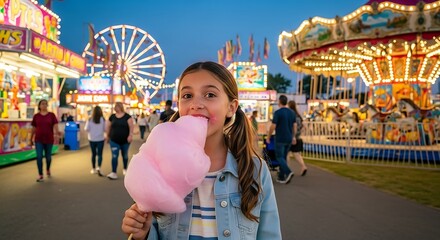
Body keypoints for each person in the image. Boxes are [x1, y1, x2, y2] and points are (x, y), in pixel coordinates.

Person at [121, 61, 281, 239]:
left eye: (210, 94)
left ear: (231, 107)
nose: (196, 104)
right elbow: (155, 227)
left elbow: (270, 234)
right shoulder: (160, 164)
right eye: (187, 95)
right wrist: (143, 233)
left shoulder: (255, 170)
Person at [266, 95, 295, 184]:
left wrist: (268, 136)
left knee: (279, 157)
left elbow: (273, 126)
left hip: (280, 138)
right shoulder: (292, 112)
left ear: (279, 102)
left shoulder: (278, 113)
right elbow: (295, 125)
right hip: (289, 138)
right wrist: (293, 136)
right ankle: (282, 177)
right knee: (284, 157)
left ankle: (288, 172)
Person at [30, 99, 60, 182]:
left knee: (48, 157)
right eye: (42, 104)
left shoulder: (51, 115)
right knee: (39, 157)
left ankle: (48, 169)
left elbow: (55, 125)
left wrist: (57, 133)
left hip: (49, 139)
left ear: (47, 106)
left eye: (45, 104)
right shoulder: (36, 116)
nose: (44, 105)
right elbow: (33, 128)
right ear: (39, 106)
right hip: (38, 139)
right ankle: (40, 174)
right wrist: (31, 138)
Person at [106, 102, 134, 180]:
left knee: (124, 155)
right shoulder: (112, 117)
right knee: (114, 156)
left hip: (125, 141)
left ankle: (125, 168)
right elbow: (108, 126)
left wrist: (130, 135)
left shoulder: (127, 117)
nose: (116, 108)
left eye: (117, 106)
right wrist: (107, 136)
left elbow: (131, 126)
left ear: (121, 107)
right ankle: (113, 172)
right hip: (114, 140)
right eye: (115, 106)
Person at [85, 106, 106, 176]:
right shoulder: (102, 119)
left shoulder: (90, 119)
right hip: (100, 139)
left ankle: (93, 168)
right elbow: (105, 129)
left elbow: (86, 129)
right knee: (100, 154)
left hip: (92, 139)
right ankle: (99, 167)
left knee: (93, 154)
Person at [288, 100, 307, 176]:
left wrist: (293, 135)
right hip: (298, 137)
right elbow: (304, 126)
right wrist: (299, 133)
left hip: (291, 137)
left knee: (287, 153)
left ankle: (287, 169)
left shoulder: (291, 115)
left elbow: (293, 126)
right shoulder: (299, 116)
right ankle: (303, 166)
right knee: (296, 154)